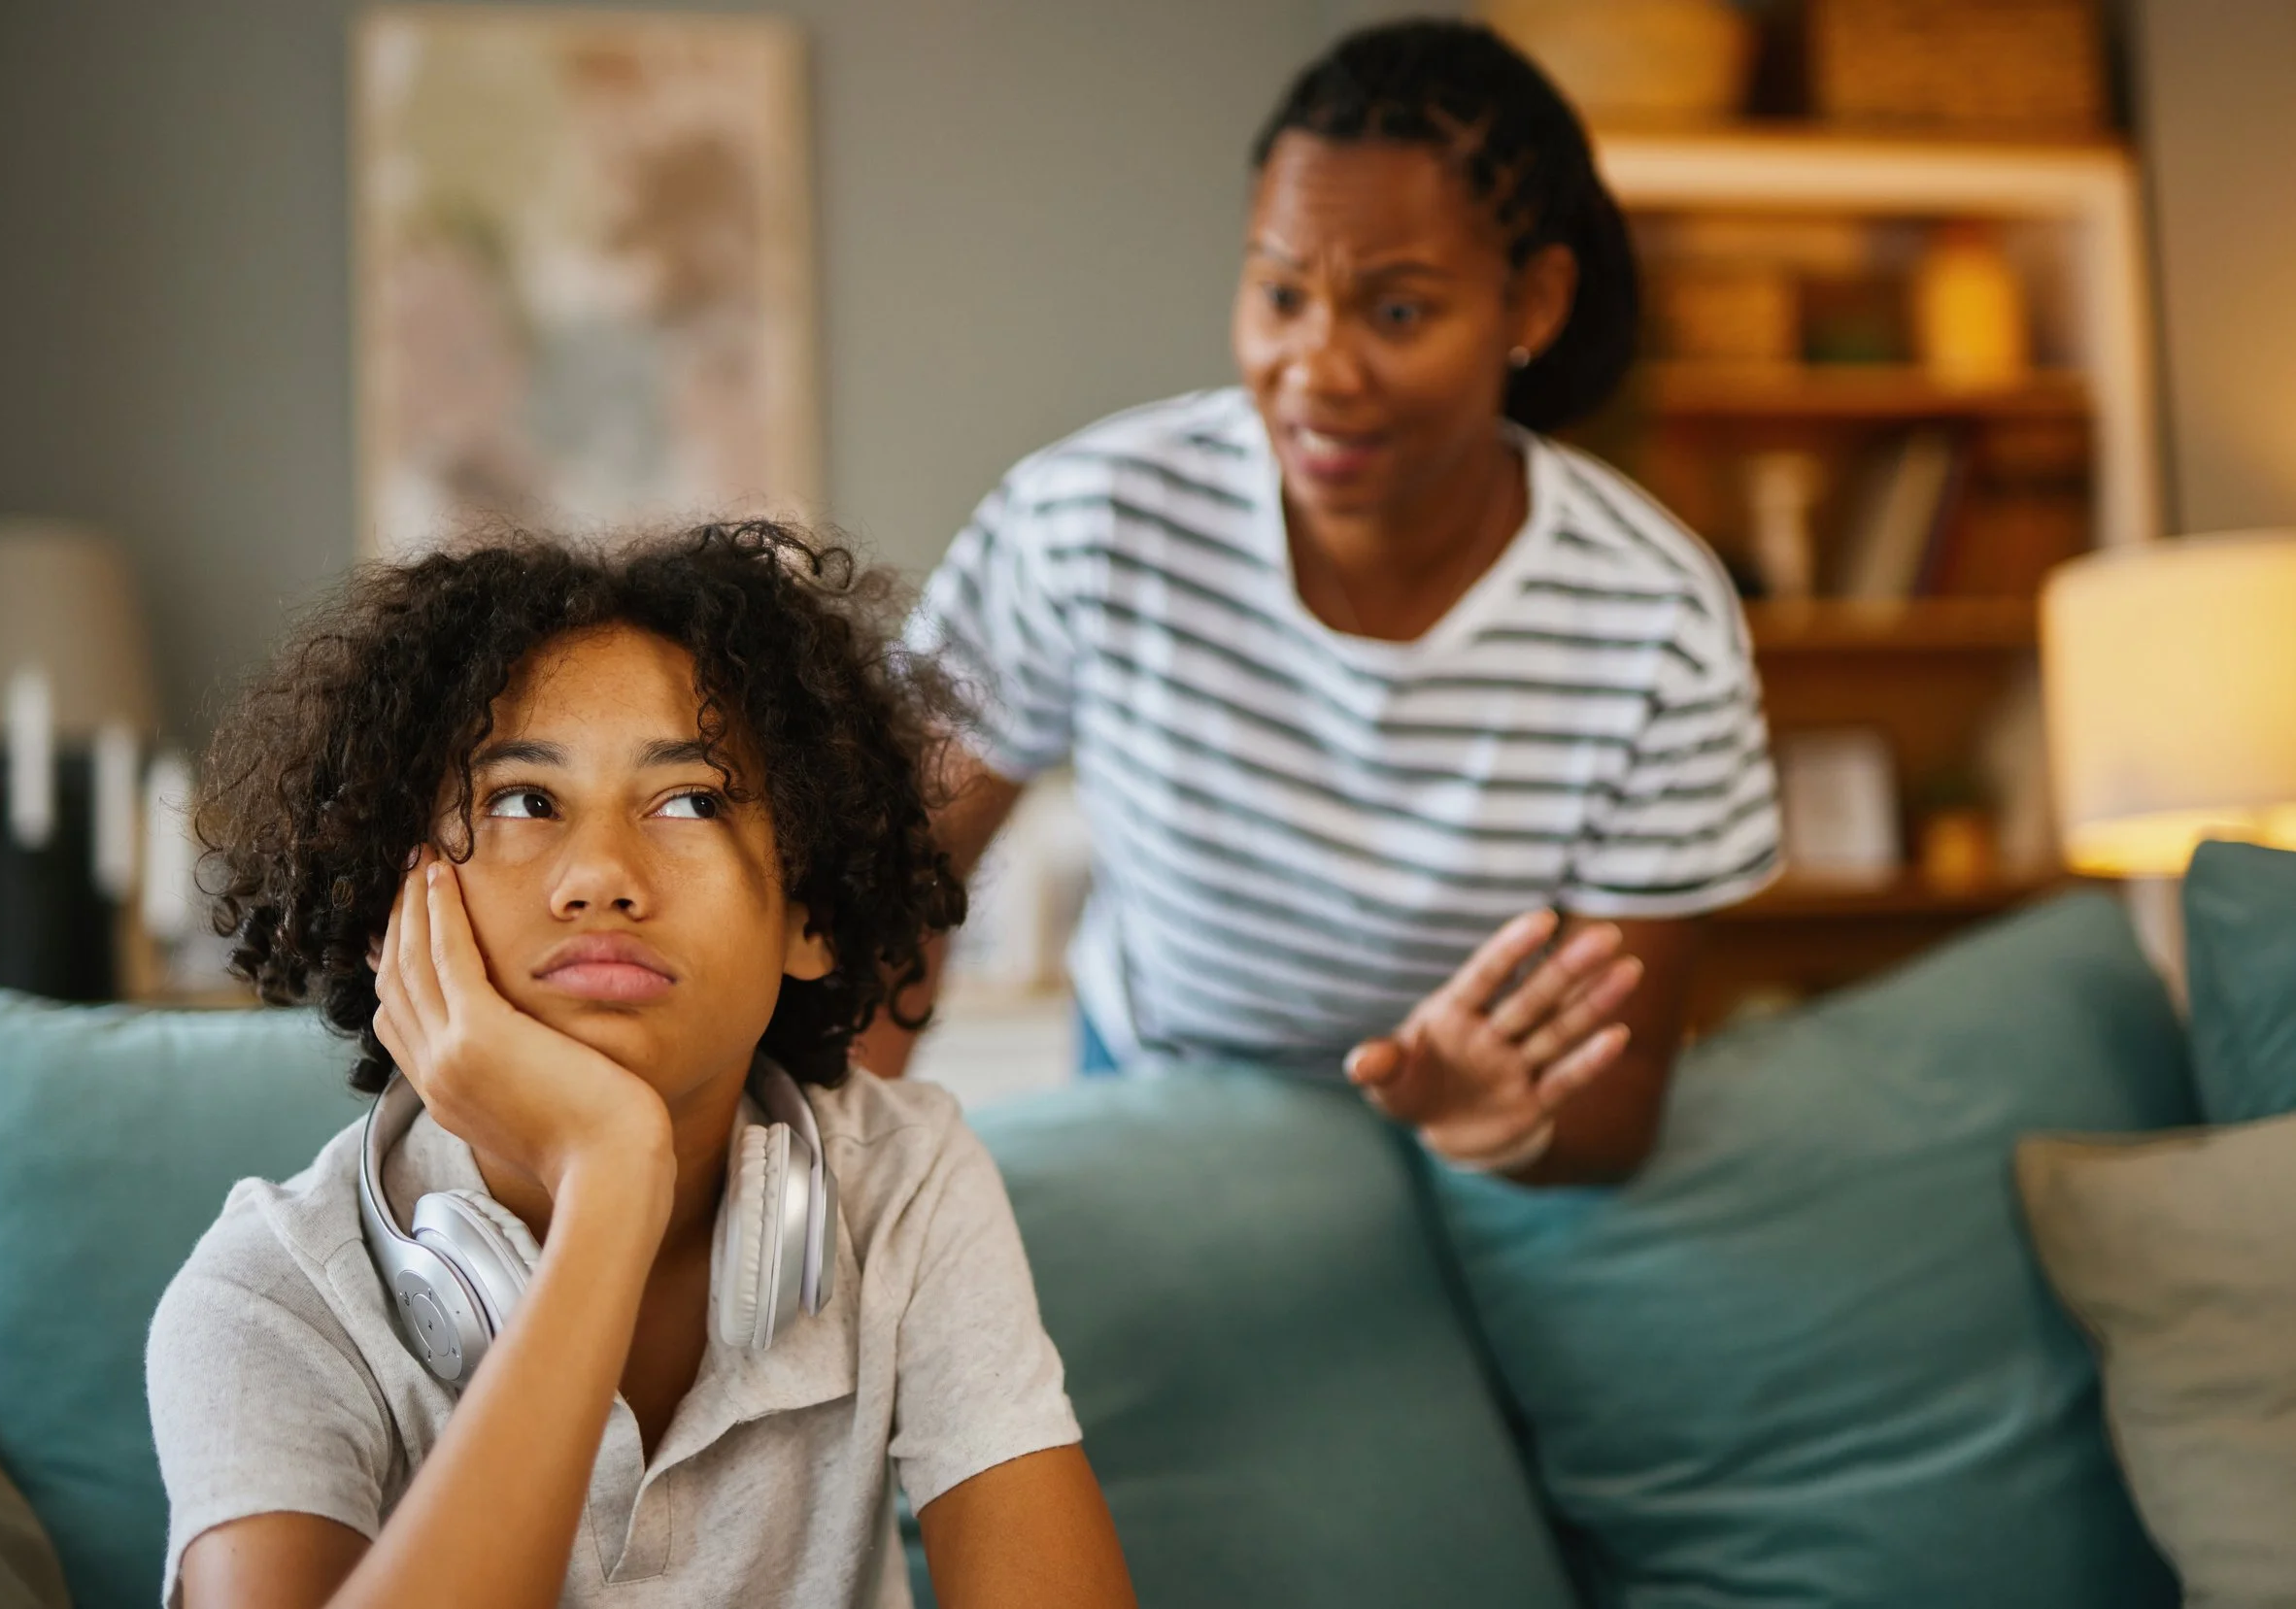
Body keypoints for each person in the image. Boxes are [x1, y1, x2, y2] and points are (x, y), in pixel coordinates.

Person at [147, 525, 1135, 1609]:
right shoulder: (269, 1295)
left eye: (692, 800)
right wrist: (610, 1179)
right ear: (393, 903)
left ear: (810, 915)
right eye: (524, 800)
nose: (602, 875)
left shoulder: (903, 1181)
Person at [871, 19, 1780, 1183]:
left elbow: (1623, 1089)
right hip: (1160, 1095)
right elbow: (891, 874)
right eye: (1281, 292)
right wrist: (841, 1165)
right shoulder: (1089, 521)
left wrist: (1510, 1121)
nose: (1316, 369)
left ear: (1534, 304)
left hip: (1475, 1145)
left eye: (1396, 312)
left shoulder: (1656, 620)